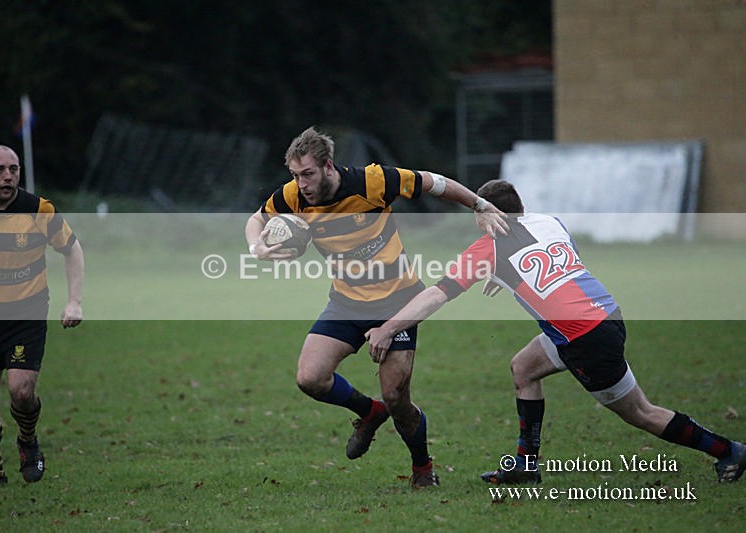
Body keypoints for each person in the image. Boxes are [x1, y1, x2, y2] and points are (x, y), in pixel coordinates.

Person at [366, 179, 746, 485]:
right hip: (605, 313)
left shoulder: (488, 249)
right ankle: (526, 465)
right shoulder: (549, 221)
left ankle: (727, 450)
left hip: (584, 338)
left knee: (641, 413)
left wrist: (389, 327)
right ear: (522, 206)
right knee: (524, 368)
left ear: (484, 216)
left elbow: (436, 295)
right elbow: (557, 262)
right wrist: (509, 276)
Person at [245, 127, 507, 488]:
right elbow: (257, 218)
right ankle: (369, 413)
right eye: (294, 175)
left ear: (328, 166)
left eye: (307, 174)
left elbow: (434, 182)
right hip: (346, 302)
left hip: (398, 302)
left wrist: (478, 205)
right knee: (310, 378)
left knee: (397, 397)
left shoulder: (373, 182)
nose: (300, 183)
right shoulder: (294, 196)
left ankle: (422, 468)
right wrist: (256, 247)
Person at [0, 145, 84, 490]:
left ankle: (27, 439)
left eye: (14, 169)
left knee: (21, 391)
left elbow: (73, 249)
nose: (8, 176)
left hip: (27, 310)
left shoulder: (38, 210)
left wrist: (74, 302)